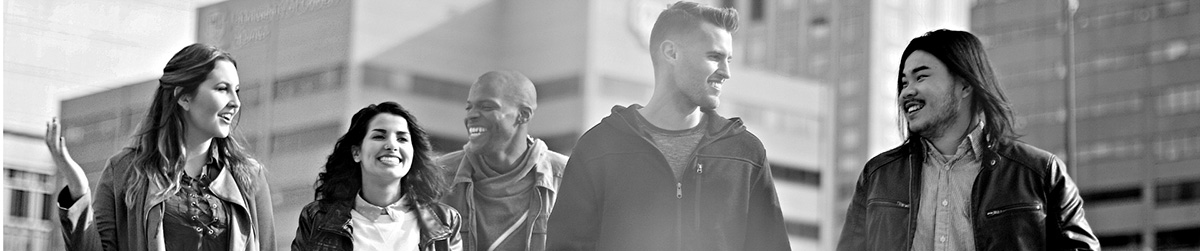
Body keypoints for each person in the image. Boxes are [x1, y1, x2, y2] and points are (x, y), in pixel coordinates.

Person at [546, 1, 790, 250]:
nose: (725, 72)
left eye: (728, 59)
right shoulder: (598, 148)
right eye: (714, 57)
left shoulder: (745, 154)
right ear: (671, 53)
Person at [835, 29, 1100, 251]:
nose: (907, 91)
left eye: (921, 76)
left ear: (965, 85)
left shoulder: (1038, 173)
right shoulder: (878, 177)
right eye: (904, 82)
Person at [47, 43, 276, 251]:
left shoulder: (249, 177)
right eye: (222, 89)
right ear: (184, 98)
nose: (235, 103)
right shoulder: (125, 171)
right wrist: (78, 192)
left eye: (236, 91)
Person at [291, 101, 462, 251]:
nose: (391, 145)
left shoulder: (445, 221)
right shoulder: (318, 219)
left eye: (402, 139)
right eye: (379, 136)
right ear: (356, 152)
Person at [434, 70, 568, 251]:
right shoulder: (437, 178)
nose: (471, 115)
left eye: (487, 107)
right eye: (469, 107)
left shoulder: (569, 179)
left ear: (524, 115)